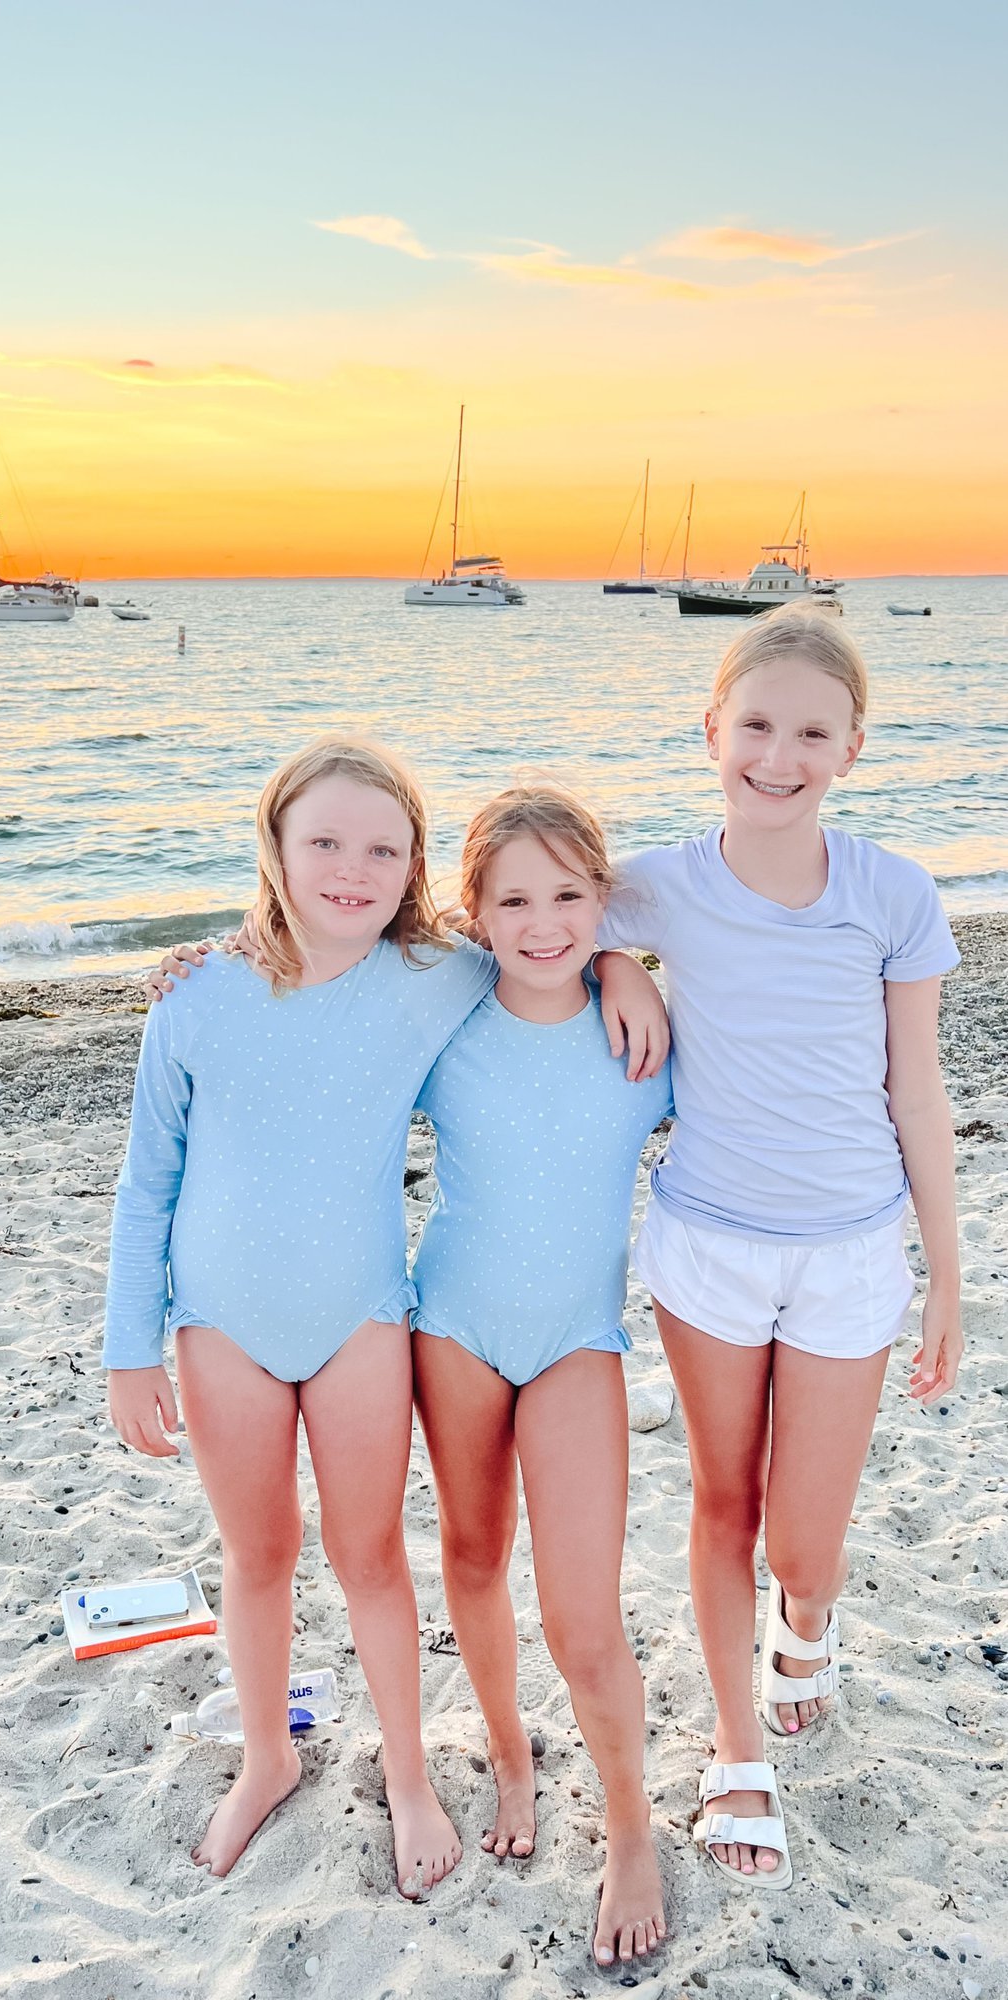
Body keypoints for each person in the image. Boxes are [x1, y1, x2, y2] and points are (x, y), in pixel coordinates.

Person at [112, 738, 667, 1894]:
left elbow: (545, 935)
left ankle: (408, 1771)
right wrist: (132, 1347)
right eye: (323, 841)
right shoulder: (198, 998)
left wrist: (624, 964)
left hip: (367, 1319)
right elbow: (145, 1184)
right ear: (273, 846)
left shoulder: (436, 975)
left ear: (416, 864)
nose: (350, 869)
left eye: (381, 846)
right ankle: (265, 1756)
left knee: (371, 1555)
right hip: (218, 1323)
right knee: (257, 1552)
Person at [596, 603, 962, 1890]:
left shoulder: (894, 896)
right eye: (756, 723)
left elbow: (918, 1092)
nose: (779, 753)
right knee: (723, 1497)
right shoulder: (653, 884)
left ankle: (807, 1621)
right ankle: (737, 1740)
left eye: (812, 730)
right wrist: (615, 967)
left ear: (853, 747)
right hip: (707, 1243)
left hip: (851, 1253)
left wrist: (947, 1280)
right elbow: (512, 913)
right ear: (712, 732)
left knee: (805, 1541)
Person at [411, 782, 672, 1967]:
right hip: (453, 1327)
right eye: (513, 898)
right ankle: (511, 1754)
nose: (543, 920)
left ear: (603, 900)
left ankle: (629, 1827)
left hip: (577, 1339)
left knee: (583, 1613)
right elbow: (315, 988)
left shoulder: (643, 1032)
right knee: (471, 1556)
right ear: (472, 910)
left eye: (570, 894)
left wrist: (628, 966)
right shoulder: (437, 1013)